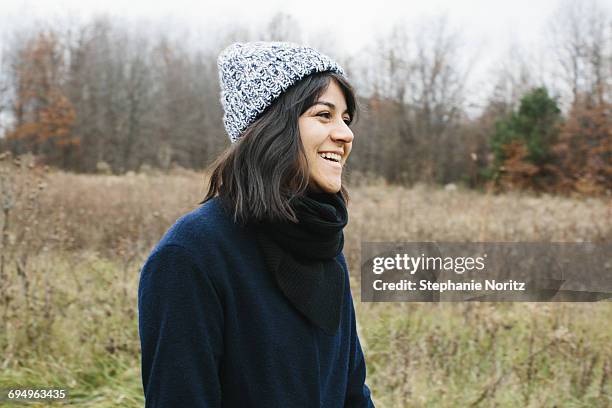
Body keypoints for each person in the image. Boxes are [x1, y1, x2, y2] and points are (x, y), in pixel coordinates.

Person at [138, 41, 375, 407]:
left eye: (346, 118)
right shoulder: (191, 255)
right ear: (271, 127)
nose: (346, 134)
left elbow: (352, 395)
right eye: (323, 115)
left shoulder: (323, 245)